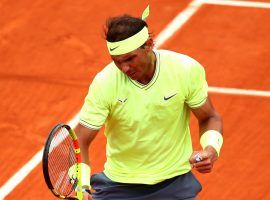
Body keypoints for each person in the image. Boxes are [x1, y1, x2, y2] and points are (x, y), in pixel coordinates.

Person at [73, 5, 223, 200]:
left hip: (174, 182)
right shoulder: (105, 83)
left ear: (150, 44)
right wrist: (82, 186)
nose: (124, 68)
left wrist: (211, 149)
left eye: (130, 59)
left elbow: (209, 116)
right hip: (120, 185)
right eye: (116, 61)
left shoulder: (184, 70)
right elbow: (80, 140)